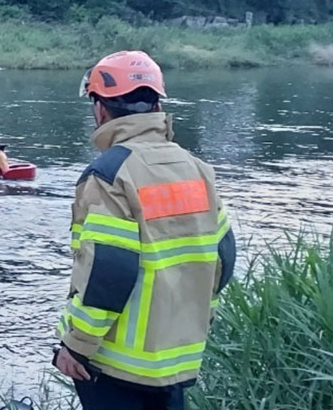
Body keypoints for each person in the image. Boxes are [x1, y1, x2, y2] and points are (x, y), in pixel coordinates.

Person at [54, 51, 236, 410]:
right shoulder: (197, 168)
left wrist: (77, 344)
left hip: (117, 363)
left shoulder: (109, 174)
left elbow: (109, 271)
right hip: (177, 357)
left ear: (100, 109)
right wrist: (201, 315)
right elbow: (223, 258)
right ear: (155, 104)